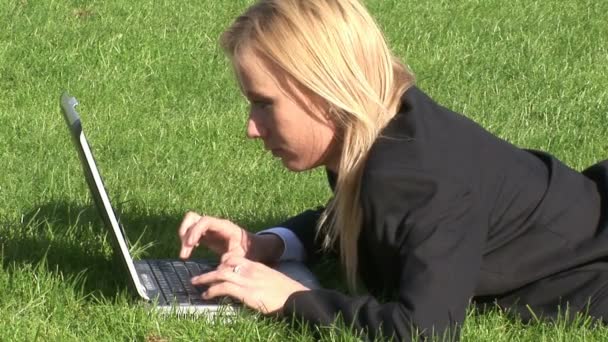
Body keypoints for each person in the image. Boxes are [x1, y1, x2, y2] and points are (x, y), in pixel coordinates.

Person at [177, 0, 608, 340]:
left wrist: (293, 299)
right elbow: (369, 226)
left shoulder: (420, 178)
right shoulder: (379, 132)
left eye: (264, 102)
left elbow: (424, 331)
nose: (252, 128)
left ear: (325, 92)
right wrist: (268, 244)